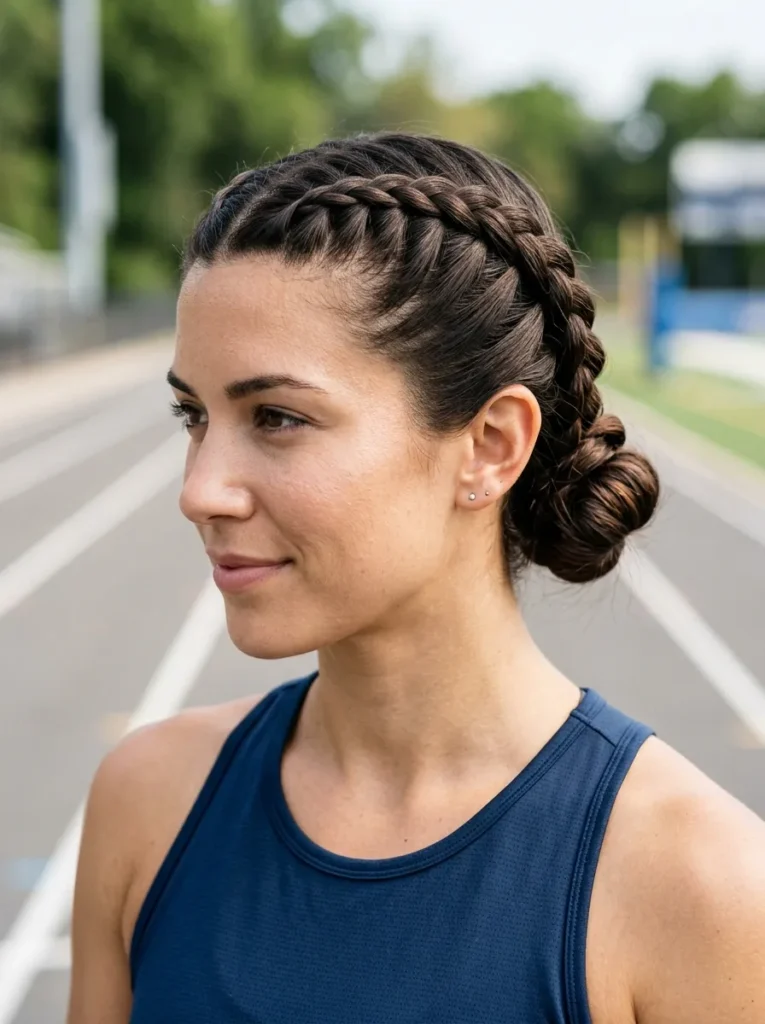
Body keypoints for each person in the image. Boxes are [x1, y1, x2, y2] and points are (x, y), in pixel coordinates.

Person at [67, 132, 765, 1024]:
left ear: (490, 446)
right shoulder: (148, 804)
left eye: (276, 417)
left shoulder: (702, 886)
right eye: (192, 415)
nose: (199, 490)